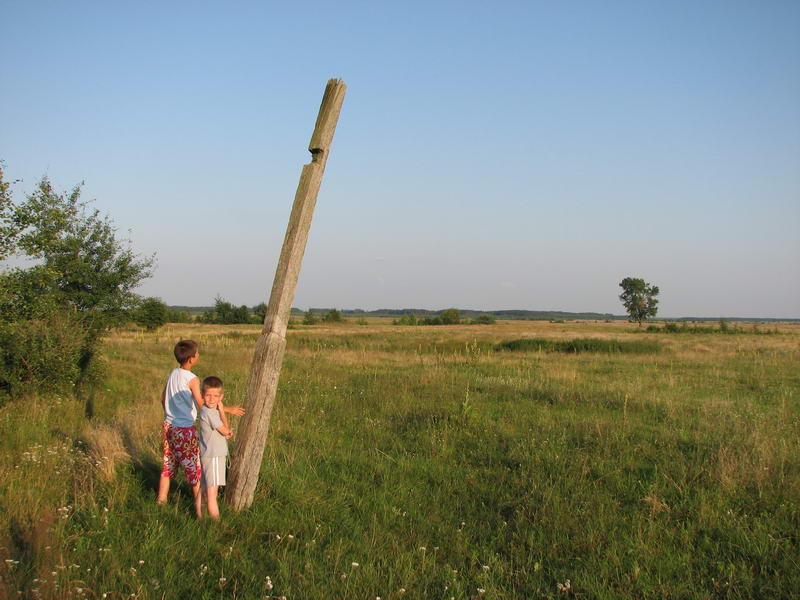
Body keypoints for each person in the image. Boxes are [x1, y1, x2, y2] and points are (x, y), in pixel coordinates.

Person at [156, 339, 243, 516]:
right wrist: (226, 409)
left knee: (168, 464)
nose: (198, 355)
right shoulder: (192, 379)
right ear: (192, 358)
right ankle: (202, 507)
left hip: (168, 425)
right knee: (195, 470)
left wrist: (171, 414)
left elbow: (162, 398)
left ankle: (161, 500)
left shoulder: (173, 373)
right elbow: (202, 404)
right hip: (184, 429)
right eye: (197, 353)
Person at [198, 376, 232, 520]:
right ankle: (216, 523)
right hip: (214, 456)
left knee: (205, 489)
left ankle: (200, 517)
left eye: (216, 396)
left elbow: (225, 430)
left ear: (221, 397)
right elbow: (225, 430)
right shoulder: (210, 413)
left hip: (208, 455)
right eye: (208, 395)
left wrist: (222, 411)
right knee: (213, 493)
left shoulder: (208, 411)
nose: (212, 399)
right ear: (202, 395)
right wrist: (223, 412)